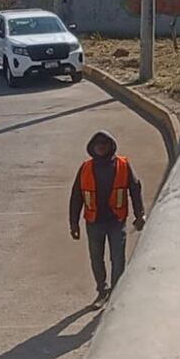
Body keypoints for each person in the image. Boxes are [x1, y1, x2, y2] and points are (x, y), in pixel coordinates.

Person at [69, 131, 147, 309]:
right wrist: (73, 223)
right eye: (97, 144)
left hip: (116, 221)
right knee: (96, 258)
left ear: (111, 145)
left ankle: (116, 292)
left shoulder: (123, 165)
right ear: (92, 147)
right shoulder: (86, 168)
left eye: (104, 143)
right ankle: (102, 291)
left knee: (118, 258)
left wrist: (139, 214)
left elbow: (135, 189)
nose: (101, 146)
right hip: (94, 221)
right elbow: (76, 196)